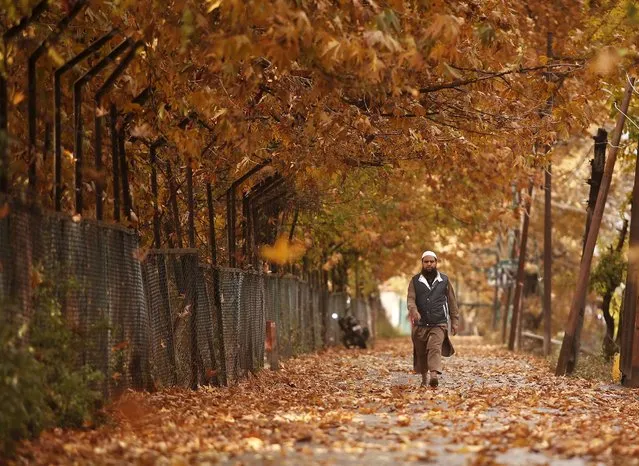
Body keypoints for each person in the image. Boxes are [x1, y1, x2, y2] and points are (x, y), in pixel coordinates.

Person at [407, 250, 460, 387]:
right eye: (426, 262)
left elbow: (452, 301)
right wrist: (414, 311)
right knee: (421, 351)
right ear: (422, 263)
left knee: (434, 347)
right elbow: (411, 299)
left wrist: (454, 321)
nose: (429, 264)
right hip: (420, 324)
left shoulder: (444, 280)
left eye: (432, 261)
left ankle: (433, 375)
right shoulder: (415, 281)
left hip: (439, 323)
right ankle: (424, 377)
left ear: (436, 263)